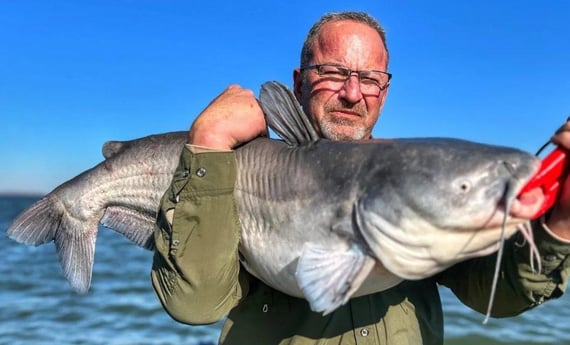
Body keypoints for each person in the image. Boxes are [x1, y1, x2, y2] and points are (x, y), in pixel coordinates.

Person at [151, 11, 570, 345]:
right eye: (333, 72)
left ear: (384, 92)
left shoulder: (416, 183)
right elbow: (195, 303)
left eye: (369, 78)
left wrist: (561, 224)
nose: (353, 93)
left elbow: (494, 292)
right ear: (299, 84)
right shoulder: (228, 163)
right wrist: (207, 145)